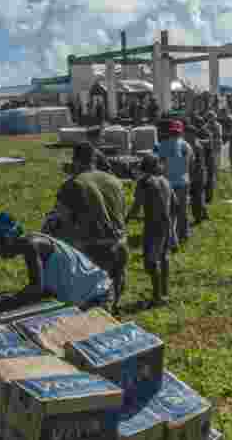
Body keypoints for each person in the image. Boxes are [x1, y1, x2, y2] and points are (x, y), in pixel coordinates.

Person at [51, 142, 128, 313]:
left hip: (93, 248)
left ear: (75, 161)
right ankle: (114, 313)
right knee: (115, 286)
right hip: (120, 243)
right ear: (94, 159)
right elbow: (122, 211)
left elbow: (60, 218)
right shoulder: (115, 181)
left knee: (95, 299)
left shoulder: (72, 184)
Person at [0, 213, 112, 310]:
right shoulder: (33, 243)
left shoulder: (31, 245)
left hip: (96, 296)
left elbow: (36, 289)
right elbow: (43, 290)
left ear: (7, 240)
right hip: (92, 293)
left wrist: (0, 306)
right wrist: (7, 296)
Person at [127, 155, 175, 307]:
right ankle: (165, 292)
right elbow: (176, 204)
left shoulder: (144, 183)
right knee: (164, 257)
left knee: (151, 262)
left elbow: (136, 207)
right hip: (166, 224)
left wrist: (126, 220)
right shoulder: (166, 181)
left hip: (153, 226)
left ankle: (157, 297)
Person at [153, 120, 193, 244]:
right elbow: (191, 161)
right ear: (181, 132)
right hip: (183, 182)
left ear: (169, 131)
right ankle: (184, 234)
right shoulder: (186, 145)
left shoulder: (162, 145)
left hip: (167, 183)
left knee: (169, 211)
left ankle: (170, 237)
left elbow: (157, 164)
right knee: (182, 210)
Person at [184, 121, 208, 225]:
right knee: (199, 195)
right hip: (197, 174)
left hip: (197, 175)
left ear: (192, 134)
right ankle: (203, 214)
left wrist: (191, 176)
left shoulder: (196, 146)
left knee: (196, 197)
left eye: (186, 134)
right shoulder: (192, 144)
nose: (184, 136)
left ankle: (198, 217)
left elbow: (197, 164)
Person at [203, 111, 223, 203]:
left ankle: (217, 183)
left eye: (212, 117)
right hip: (210, 149)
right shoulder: (206, 126)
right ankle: (213, 184)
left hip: (216, 148)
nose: (211, 118)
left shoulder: (218, 125)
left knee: (217, 167)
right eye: (210, 117)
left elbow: (218, 136)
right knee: (211, 168)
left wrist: (212, 137)